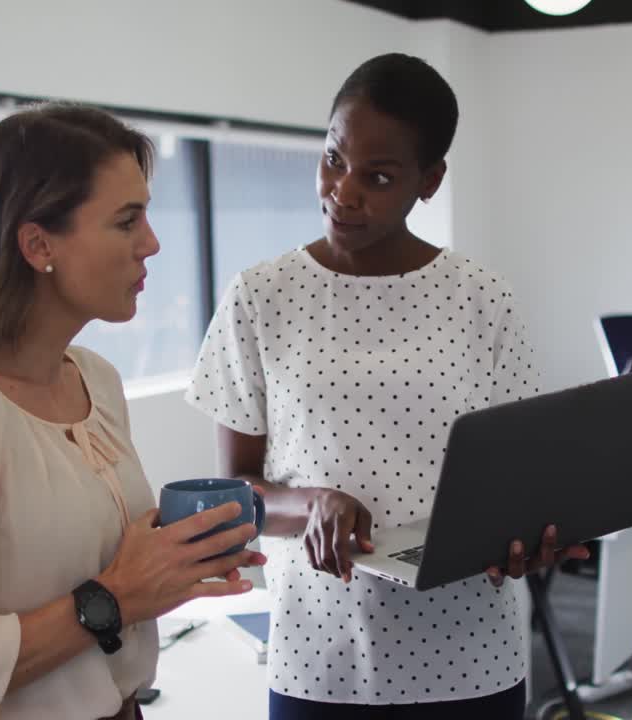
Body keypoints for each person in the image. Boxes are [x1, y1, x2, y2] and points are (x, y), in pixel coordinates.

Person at [186, 54, 588, 719]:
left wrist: (526, 540)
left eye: (377, 176)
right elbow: (237, 495)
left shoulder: (483, 301)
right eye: (334, 160)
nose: (344, 192)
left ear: (429, 182)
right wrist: (311, 504)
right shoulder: (260, 297)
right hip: (319, 655)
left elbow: (520, 480)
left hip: (470, 655)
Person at [0, 104, 266, 720]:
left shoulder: (96, 381)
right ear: (37, 243)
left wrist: (169, 569)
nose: (152, 244)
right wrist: (116, 596)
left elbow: (93, 579)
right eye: (126, 220)